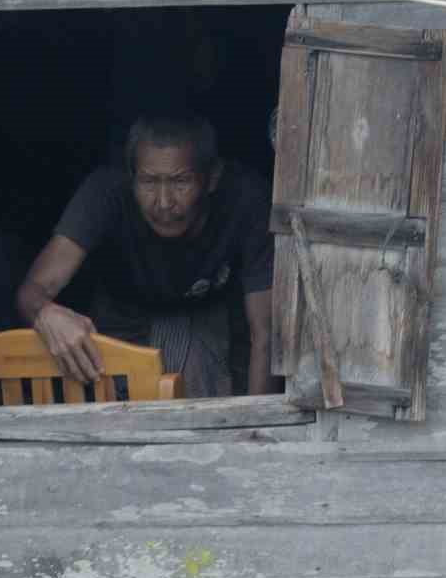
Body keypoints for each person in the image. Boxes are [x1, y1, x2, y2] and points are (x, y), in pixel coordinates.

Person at [16, 114, 275, 397]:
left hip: (212, 322)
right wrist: (46, 313)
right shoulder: (105, 193)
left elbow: (265, 334)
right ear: (131, 178)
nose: (164, 202)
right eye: (149, 182)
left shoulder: (245, 199)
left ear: (211, 178)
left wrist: (260, 432)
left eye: (181, 181)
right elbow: (33, 291)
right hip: (120, 320)